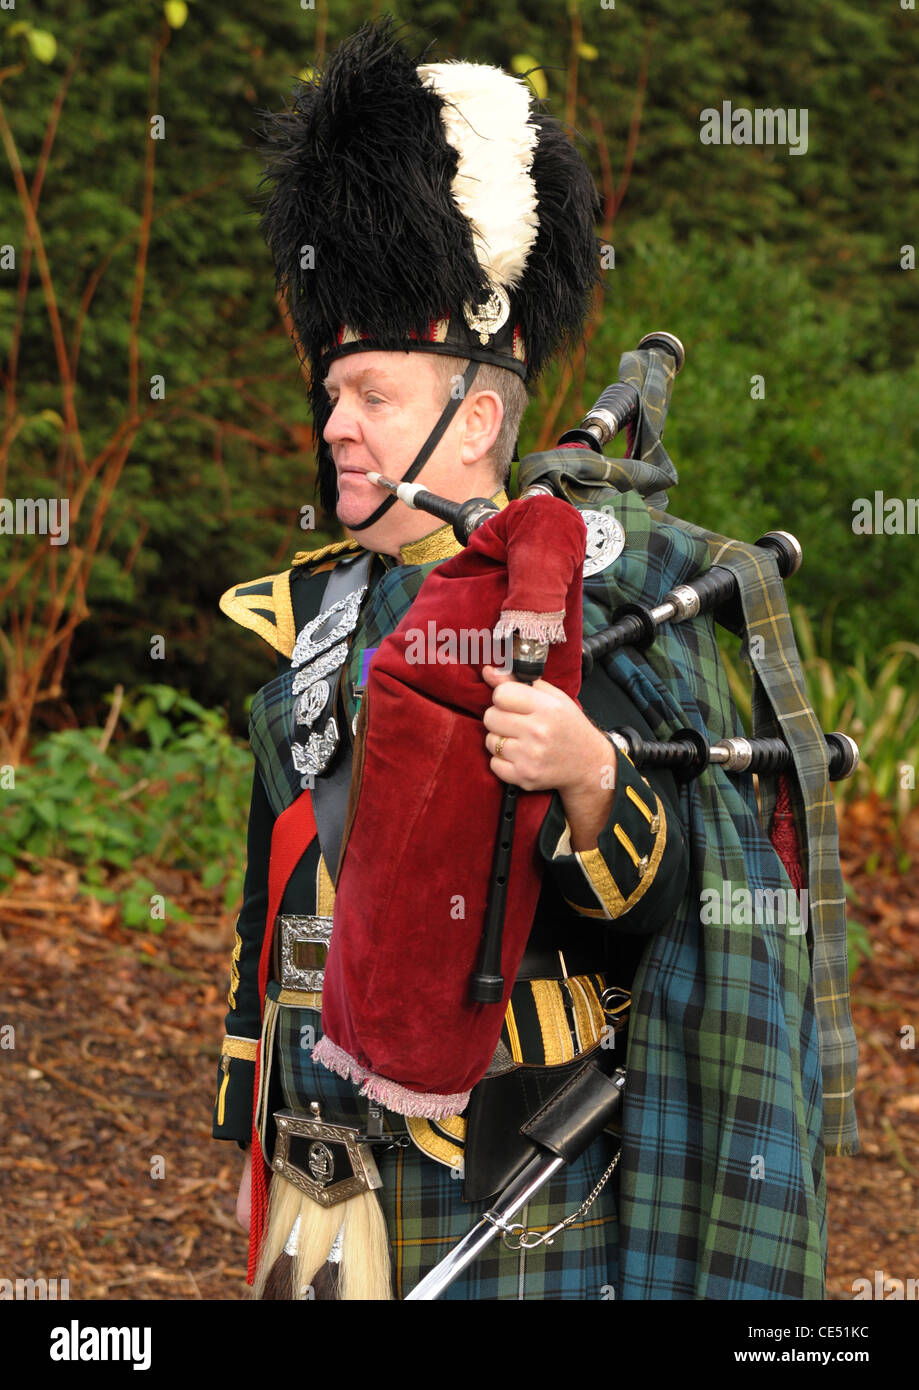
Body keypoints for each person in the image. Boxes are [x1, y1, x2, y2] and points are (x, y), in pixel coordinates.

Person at [212, 19, 857, 1301]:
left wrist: (591, 779)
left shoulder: (589, 594)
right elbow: (265, 922)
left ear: (482, 413)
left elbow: (667, 903)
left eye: (374, 395)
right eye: (332, 394)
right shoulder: (306, 625)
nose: (335, 424)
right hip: (326, 1173)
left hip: (519, 1188)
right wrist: (250, 1138)